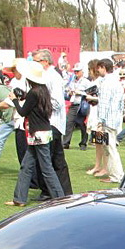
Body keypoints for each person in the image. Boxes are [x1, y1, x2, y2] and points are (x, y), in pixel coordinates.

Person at [7, 61, 64, 207]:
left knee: (46, 168)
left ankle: (60, 198)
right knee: (27, 166)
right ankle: (19, 198)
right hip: (41, 132)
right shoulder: (42, 90)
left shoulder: (34, 93)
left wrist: (14, 99)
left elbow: (22, 111)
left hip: (37, 133)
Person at [33, 48, 72, 198]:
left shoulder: (52, 77)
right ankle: (64, 192)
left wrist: (39, 106)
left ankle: (49, 191)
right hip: (53, 122)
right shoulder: (48, 76)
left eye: (36, 61)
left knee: (47, 160)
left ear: (45, 61)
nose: (34, 64)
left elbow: (57, 103)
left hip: (52, 122)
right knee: (57, 159)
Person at [94, 57, 125, 184]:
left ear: (104, 68)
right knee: (109, 148)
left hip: (108, 120)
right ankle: (116, 174)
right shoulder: (116, 82)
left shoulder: (106, 83)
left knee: (110, 149)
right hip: (114, 119)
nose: (98, 70)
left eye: (99, 68)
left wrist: (100, 121)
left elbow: (104, 104)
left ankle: (116, 176)